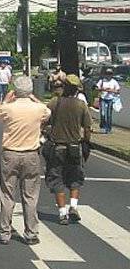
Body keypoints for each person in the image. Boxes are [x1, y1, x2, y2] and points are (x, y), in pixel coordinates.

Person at [0, 77, 51, 245]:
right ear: (30, 91)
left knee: (7, 194)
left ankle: (5, 232)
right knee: (30, 195)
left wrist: (5, 101)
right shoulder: (38, 108)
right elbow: (48, 112)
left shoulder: (9, 108)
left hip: (10, 154)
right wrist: (34, 98)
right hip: (31, 154)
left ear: (15, 91)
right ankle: (31, 232)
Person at [44, 74, 92, 225]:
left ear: (64, 86)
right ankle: (74, 206)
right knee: (75, 178)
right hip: (74, 146)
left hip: (57, 146)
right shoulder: (80, 105)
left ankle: (62, 213)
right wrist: (86, 142)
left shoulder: (54, 103)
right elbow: (88, 127)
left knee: (56, 178)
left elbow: (44, 119)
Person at [96, 68, 121, 134]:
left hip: (110, 99)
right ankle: (103, 127)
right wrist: (103, 89)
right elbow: (97, 88)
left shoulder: (114, 82)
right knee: (103, 114)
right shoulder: (102, 81)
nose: (108, 75)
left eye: (110, 74)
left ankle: (108, 128)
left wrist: (111, 90)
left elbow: (118, 91)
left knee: (109, 115)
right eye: (107, 74)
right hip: (103, 98)